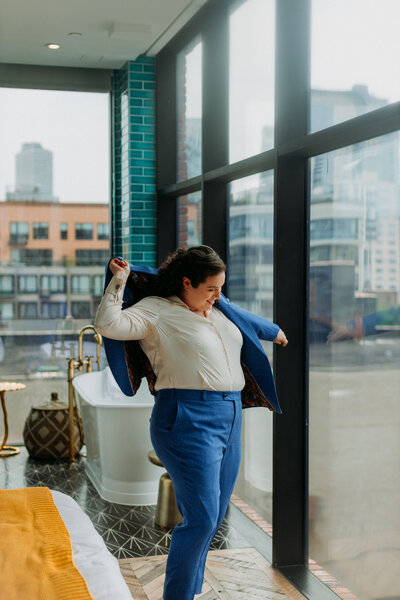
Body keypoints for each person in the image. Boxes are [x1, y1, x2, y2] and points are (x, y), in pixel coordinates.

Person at [94, 245, 287, 600]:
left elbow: (243, 318)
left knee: (211, 518)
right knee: (200, 519)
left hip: (230, 417)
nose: (217, 296)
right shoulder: (156, 311)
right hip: (186, 416)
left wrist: (274, 331)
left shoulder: (216, 309)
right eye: (210, 288)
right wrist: (118, 282)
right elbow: (108, 324)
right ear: (186, 282)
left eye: (220, 288)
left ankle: (191, 590)